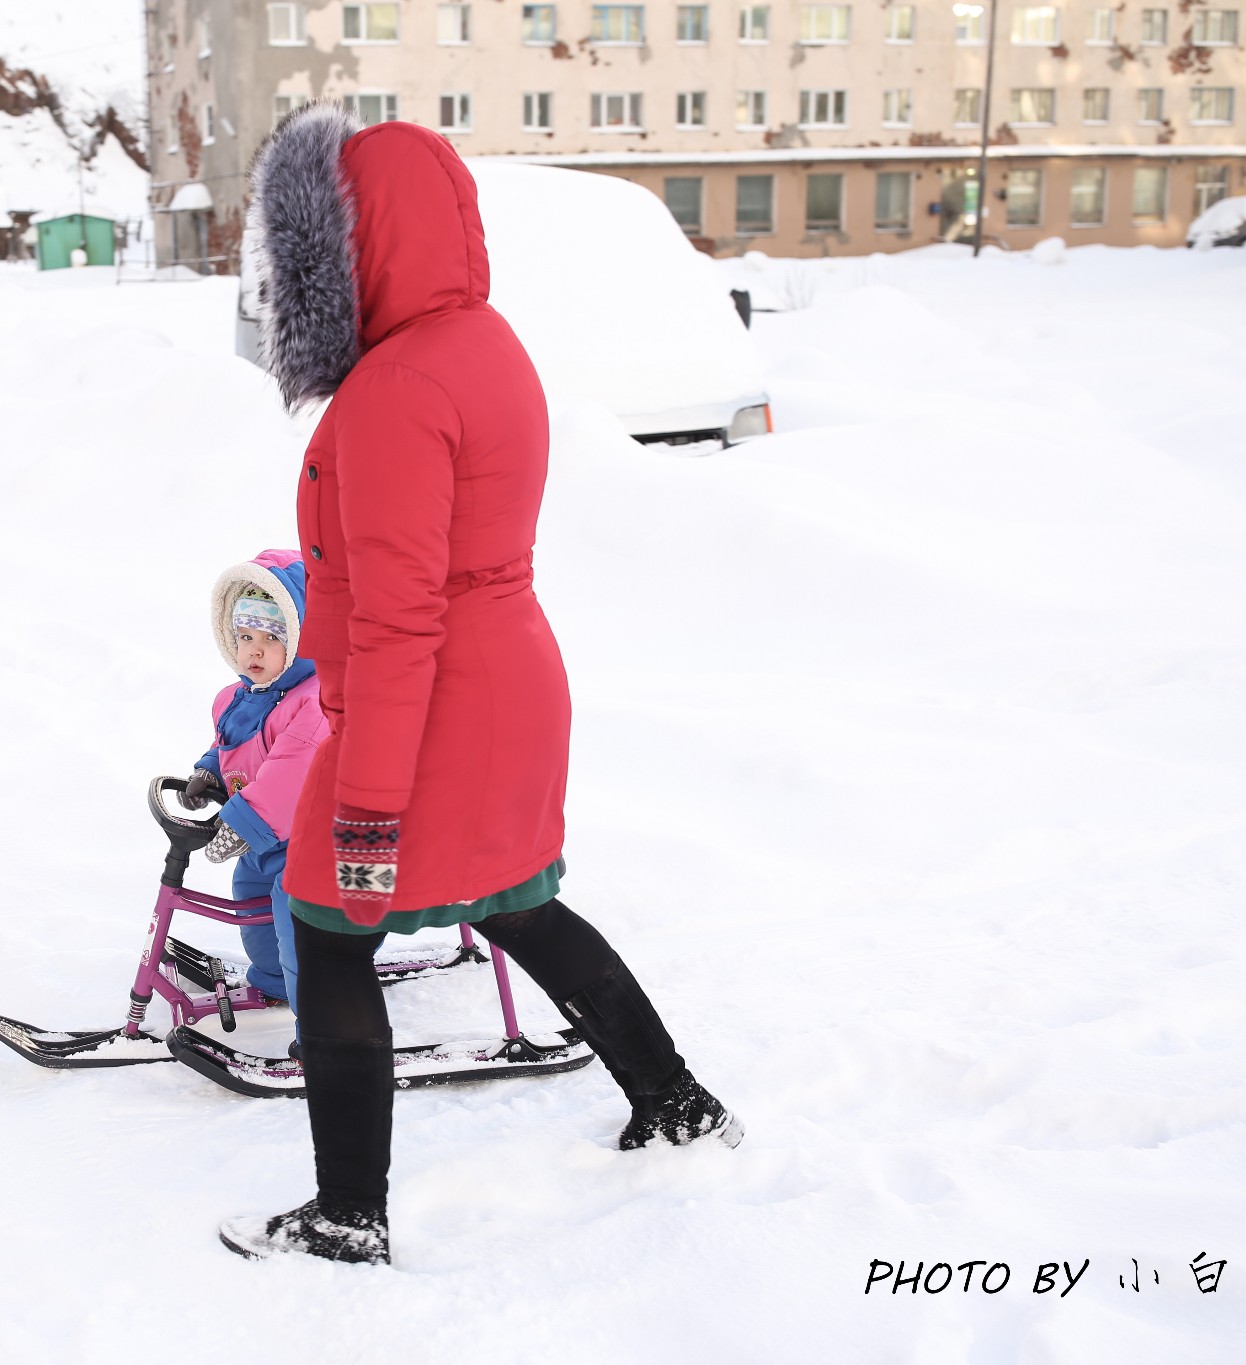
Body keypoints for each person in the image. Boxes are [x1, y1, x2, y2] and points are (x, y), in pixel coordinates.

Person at [217, 107, 741, 1265]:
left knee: (331, 923)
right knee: (513, 901)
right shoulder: (482, 341)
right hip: (500, 681)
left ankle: (349, 1216)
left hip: (431, 703)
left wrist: (363, 799)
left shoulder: (397, 390)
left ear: (349, 248)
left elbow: (400, 617)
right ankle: (674, 1100)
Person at [181, 550, 326, 1049]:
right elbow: (237, 745)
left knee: (300, 931)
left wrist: (243, 822)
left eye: (271, 639)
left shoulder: (316, 703)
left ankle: (325, 1028)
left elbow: (292, 773)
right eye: (246, 637)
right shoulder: (239, 696)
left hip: (317, 844)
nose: (254, 651)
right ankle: (273, 981)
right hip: (268, 842)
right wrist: (208, 772)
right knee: (252, 902)